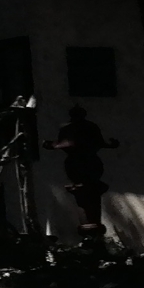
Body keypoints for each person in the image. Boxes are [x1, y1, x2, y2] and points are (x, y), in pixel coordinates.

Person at [46, 106, 115, 248]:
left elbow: (61, 144)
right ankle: (92, 238)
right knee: (85, 195)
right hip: (87, 166)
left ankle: (92, 239)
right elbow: (101, 143)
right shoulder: (88, 128)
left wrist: (52, 144)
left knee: (87, 195)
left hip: (83, 167)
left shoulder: (72, 130)